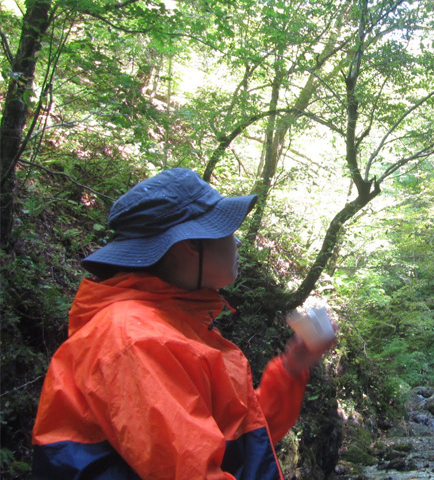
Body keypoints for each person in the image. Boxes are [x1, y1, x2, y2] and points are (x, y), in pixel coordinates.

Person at [31, 168, 333, 480]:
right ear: (191, 243)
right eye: (229, 231)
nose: (238, 243)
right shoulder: (135, 339)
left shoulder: (169, 328)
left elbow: (241, 439)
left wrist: (291, 370)